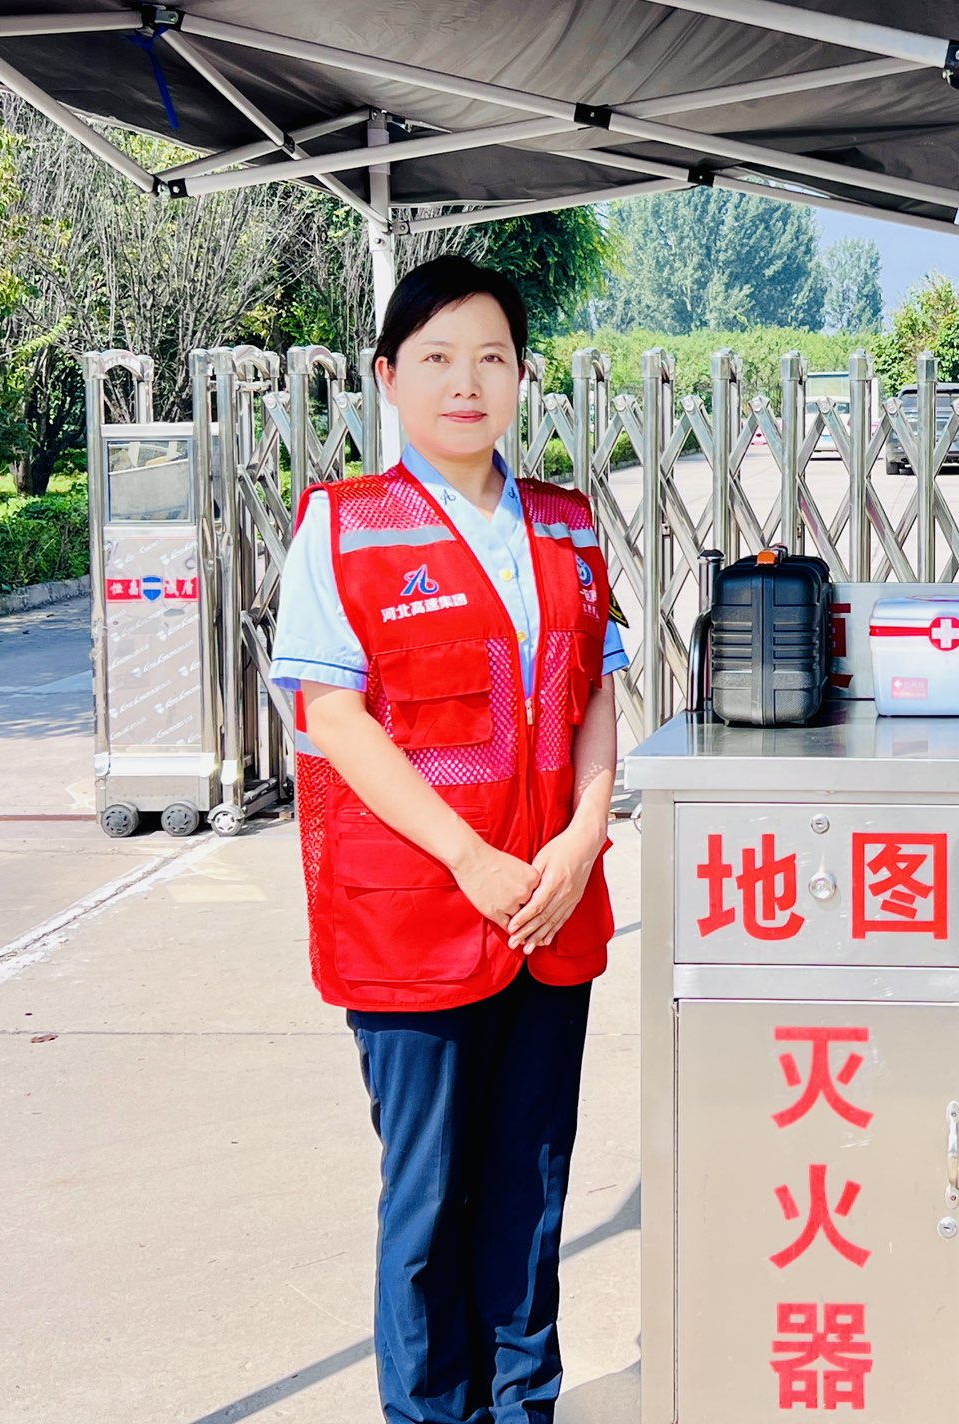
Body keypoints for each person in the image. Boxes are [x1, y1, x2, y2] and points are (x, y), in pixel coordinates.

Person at [268, 255, 624, 1424]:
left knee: (529, 1191)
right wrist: (471, 858)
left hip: (549, 911)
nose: (465, 383)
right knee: (428, 1201)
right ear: (389, 377)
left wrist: (582, 837)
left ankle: (524, 1407)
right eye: (436, 358)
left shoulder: (568, 524)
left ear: (521, 375)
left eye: (490, 357)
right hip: (416, 919)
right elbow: (332, 716)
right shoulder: (345, 527)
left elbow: (596, 691)